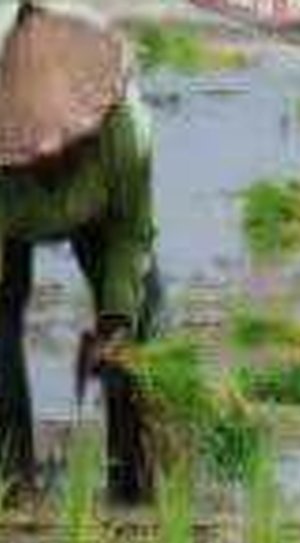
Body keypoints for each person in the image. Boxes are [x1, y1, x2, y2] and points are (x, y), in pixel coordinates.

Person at [0, 0, 163, 504]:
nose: (51, 154)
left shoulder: (126, 131)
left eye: (66, 145)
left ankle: (132, 486)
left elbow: (131, 235)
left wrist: (115, 320)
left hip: (102, 216)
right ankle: (11, 480)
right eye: (35, 152)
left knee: (140, 326)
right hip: (9, 219)